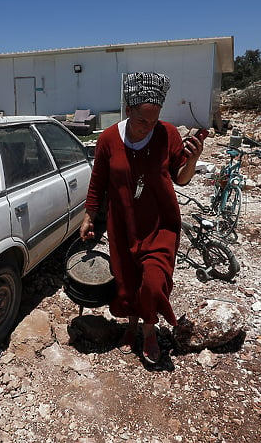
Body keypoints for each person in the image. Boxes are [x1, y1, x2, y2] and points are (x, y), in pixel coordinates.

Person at [79, 72, 204, 364]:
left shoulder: (167, 134)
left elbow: (181, 179)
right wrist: (89, 215)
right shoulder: (109, 139)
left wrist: (194, 160)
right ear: (128, 110)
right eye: (141, 121)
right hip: (123, 223)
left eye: (154, 120)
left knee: (153, 280)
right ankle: (132, 326)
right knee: (127, 279)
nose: (148, 127)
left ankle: (149, 331)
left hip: (161, 223)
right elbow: (98, 182)